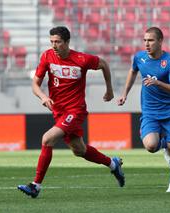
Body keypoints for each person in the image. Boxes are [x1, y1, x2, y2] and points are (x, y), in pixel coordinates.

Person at [17, 26, 125, 198]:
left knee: (47, 139)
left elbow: (103, 64)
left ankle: (35, 186)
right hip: (59, 112)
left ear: (67, 42)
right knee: (79, 150)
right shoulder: (47, 56)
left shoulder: (81, 59)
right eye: (51, 41)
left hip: (75, 111)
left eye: (58, 42)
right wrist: (43, 97)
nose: (54, 45)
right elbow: (35, 85)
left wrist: (109, 90)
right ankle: (113, 164)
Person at [117, 27, 170, 193]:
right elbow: (133, 71)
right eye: (145, 40)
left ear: (160, 41)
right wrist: (124, 93)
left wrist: (158, 83)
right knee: (151, 146)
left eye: (151, 40)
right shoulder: (139, 57)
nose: (147, 44)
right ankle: (164, 145)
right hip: (150, 111)